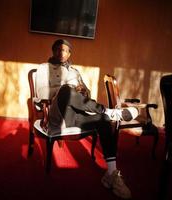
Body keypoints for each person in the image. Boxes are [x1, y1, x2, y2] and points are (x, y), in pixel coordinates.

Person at [35, 39, 138, 199]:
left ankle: (111, 174)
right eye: (58, 49)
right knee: (66, 91)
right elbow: (41, 92)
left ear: (69, 53)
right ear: (53, 51)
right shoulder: (43, 68)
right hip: (58, 115)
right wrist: (67, 88)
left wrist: (83, 91)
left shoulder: (75, 71)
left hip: (76, 115)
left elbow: (87, 94)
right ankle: (110, 112)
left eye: (65, 50)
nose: (61, 53)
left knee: (103, 121)